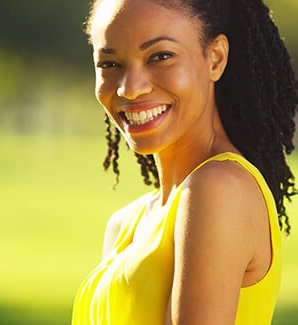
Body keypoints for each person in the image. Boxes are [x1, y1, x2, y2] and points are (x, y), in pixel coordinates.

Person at [72, 0, 297, 324]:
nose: (131, 88)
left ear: (215, 58)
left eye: (160, 57)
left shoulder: (220, 190)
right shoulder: (125, 224)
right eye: (109, 64)